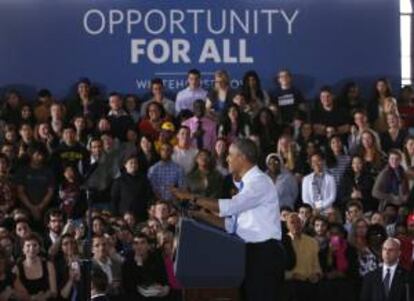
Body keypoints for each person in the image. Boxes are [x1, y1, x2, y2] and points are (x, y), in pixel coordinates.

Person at [172, 138, 285, 301]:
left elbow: (231, 206)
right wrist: (199, 215)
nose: (227, 159)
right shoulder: (246, 185)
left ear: (242, 157)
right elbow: (231, 224)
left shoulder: (259, 182)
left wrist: (191, 197)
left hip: (264, 254)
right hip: (248, 253)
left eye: (230, 155)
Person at [286, 212, 322, 301]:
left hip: (310, 284)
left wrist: (316, 274)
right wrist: (292, 275)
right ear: (287, 225)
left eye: (298, 222)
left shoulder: (312, 242)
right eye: (292, 222)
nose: (296, 225)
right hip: (291, 284)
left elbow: (316, 264)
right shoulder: (283, 242)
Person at [14, 234, 57, 300]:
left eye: (35, 245)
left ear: (39, 248)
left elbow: (54, 292)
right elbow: (16, 295)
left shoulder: (49, 265)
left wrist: (44, 296)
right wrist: (33, 298)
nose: (32, 248)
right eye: (28, 245)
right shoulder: (17, 269)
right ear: (23, 249)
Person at [111, 155, 154, 221]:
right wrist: (115, 215)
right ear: (125, 165)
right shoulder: (119, 181)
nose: (133, 165)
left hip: (141, 215)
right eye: (131, 163)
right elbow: (114, 199)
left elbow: (149, 196)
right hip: (124, 216)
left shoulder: (144, 180)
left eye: (135, 163)